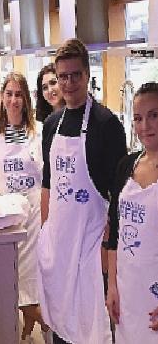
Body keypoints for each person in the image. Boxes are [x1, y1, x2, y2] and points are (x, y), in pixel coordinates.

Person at [38, 38, 126, 344]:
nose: (69, 83)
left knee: (92, 330)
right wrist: (45, 235)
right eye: (63, 76)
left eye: (75, 75)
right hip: (60, 247)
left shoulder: (106, 124)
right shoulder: (51, 125)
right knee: (61, 329)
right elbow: (48, 185)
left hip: (91, 249)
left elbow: (120, 194)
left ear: (87, 74)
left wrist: (109, 244)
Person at [0, 72, 48, 342]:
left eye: (18, 94)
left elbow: (48, 179)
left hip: (36, 219)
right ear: (2, 98)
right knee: (13, 285)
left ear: (26, 99)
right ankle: (26, 324)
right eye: (9, 94)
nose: (13, 100)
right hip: (8, 222)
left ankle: (46, 328)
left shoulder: (40, 132)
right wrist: (1, 200)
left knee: (39, 283)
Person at [106, 82, 158, 343]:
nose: (145, 126)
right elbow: (115, 233)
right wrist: (112, 285)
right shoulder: (127, 165)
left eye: (154, 115)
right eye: (138, 118)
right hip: (127, 291)